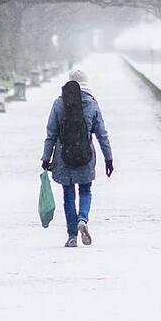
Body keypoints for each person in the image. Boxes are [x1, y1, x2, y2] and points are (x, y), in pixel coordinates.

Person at [40, 68, 113, 247]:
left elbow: (51, 133)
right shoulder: (92, 104)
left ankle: (72, 236)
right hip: (85, 156)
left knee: (68, 194)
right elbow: (102, 134)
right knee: (86, 191)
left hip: (63, 158)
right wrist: (108, 158)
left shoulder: (59, 104)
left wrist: (46, 157)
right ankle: (83, 219)